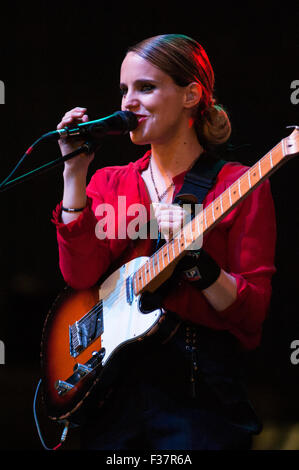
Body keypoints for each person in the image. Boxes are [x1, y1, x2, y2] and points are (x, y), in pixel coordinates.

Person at [52, 34, 276, 450]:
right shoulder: (109, 182)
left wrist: (197, 261)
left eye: (146, 87)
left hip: (197, 394)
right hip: (113, 395)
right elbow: (78, 274)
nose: (127, 103)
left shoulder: (238, 184)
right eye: (124, 90)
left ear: (191, 95)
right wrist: (73, 175)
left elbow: (252, 313)